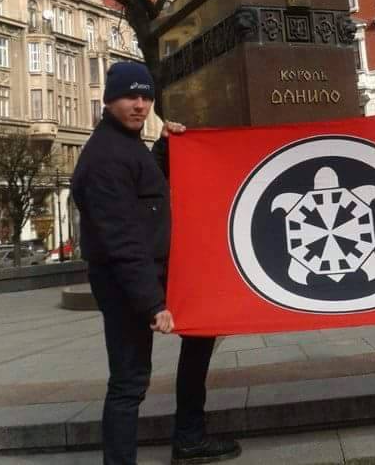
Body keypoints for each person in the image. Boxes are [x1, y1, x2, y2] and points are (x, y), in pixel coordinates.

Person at [72, 61, 240, 465]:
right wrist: (153, 303)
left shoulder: (128, 145)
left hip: (156, 272)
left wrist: (165, 146)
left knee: (201, 332)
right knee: (129, 381)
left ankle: (188, 438)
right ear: (109, 98)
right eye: (131, 96)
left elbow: (147, 187)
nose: (140, 105)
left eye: (146, 97)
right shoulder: (105, 158)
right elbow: (122, 240)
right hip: (125, 281)